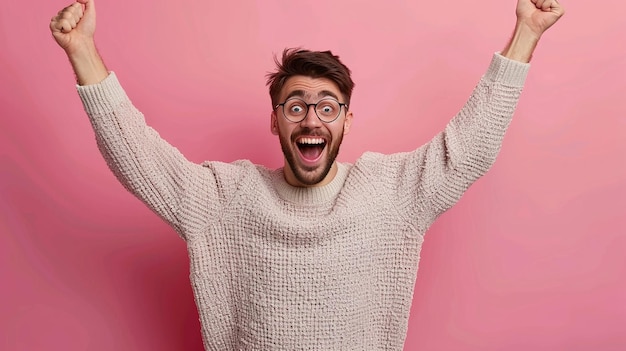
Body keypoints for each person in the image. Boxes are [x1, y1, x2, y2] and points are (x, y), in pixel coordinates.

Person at [50, 0, 564, 349]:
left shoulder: (387, 192)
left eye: (327, 106)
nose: (312, 118)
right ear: (274, 121)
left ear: (346, 120)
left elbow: (468, 149)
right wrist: (82, 50)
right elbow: (139, 157)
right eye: (294, 106)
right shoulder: (228, 197)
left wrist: (527, 32)